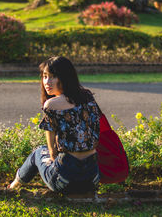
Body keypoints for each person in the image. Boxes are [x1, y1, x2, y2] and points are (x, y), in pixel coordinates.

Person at [8, 56, 101, 194]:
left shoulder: (51, 105)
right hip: (92, 179)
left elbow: (52, 152)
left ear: (65, 78)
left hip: (64, 181)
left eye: (53, 77)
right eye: (45, 76)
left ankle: (12, 187)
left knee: (39, 152)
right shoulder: (87, 96)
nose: (47, 82)